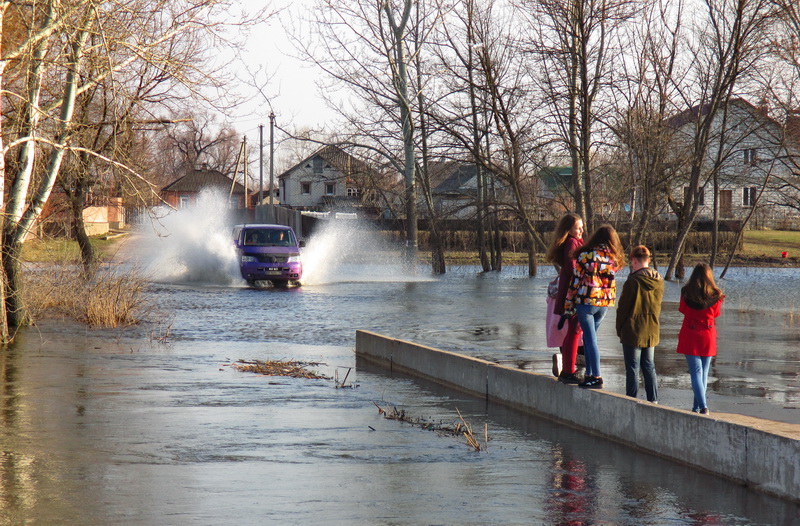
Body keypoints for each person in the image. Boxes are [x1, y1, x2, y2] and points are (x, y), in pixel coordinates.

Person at [564, 224, 624, 389]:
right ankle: (590, 374)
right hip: (604, 303)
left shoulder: (586, 256)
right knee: (591, 339)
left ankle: (596, 376)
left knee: (590, 340)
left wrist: (568, 306)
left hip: (587, 302)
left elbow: (574, 283)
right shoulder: (613, 258)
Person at [615, 245, 663, 403]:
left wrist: (619, 328)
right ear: (648, 260)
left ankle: (631, 401)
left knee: (633, 368)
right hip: (651, 330)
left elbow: (623, 309)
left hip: (633, 330)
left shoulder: (632, 281)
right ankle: (654, 401)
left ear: (634, 260)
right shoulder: (659, 281)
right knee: (649, 367)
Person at [677, 263, 724, 415]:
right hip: (708, 334)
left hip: (690, 333)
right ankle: (697, 407)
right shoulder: (716, 294)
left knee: (696, 372)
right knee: (703, 372)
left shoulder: (686, 292)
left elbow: (682, 309)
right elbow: (716, 314)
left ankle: (702, 406)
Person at [545, 213, 585, 383]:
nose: (582, 230)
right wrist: (585, 276)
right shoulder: (572, 242)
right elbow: (572, 266)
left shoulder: (570, 242)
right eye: (578, 227)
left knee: (569, 331)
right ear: (569, 229)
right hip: (573, 295)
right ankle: (572, 369)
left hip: (567, 294)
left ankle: (565, 364)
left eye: (582, 227)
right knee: (577, 332)